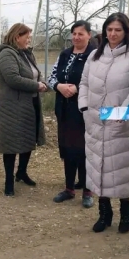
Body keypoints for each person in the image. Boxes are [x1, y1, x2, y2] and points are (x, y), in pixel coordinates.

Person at [78, 12, 129, 233]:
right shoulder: (95, 55)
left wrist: (120, 113)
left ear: (126, 31)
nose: (113, 34)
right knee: (98, 166)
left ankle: (126, 212)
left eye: (118, 30)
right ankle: (104, 212)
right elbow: (84, 82)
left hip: (120, 121)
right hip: (95, 120)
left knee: (121, 169)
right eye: (109, 29)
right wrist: (84, 107)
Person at [0, 23, 47, 196]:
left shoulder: (26, 54)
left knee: (27, 139)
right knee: (11, 143)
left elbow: (35, 74)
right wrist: (36, 86)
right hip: (12, 107)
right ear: (17, 36)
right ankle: (9, 180)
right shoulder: (7, 54)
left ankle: (21, 172)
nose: (29, 40)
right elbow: (13, 79)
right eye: (27, 37)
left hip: (29, 104)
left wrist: (45, 84)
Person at [48, 20, 95, 207]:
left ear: (89, 35)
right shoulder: (65, 54)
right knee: (67, 149)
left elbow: (99, 83)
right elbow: (52, 77)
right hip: (65, 110)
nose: (76, 37)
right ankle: (69, 188)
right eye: (74, 33)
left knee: (85, 151)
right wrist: (59, 86)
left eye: (81, 34)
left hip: (84, 111)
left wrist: (78, 88)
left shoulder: (95, 56)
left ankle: (87, 190)